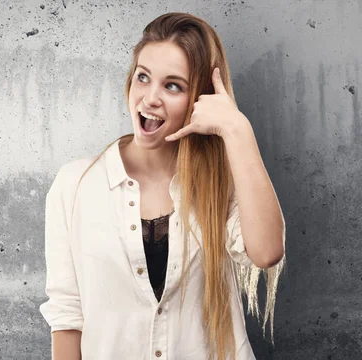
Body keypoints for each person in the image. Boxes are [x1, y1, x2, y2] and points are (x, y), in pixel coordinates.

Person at [39, 12, 286, 360]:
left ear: (199, 100)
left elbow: (266, 252)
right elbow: (67, 315)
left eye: (173, 86)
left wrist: (236, 128)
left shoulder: (222, 183)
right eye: (143, 77)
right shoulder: (74, 185)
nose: (150, 98)